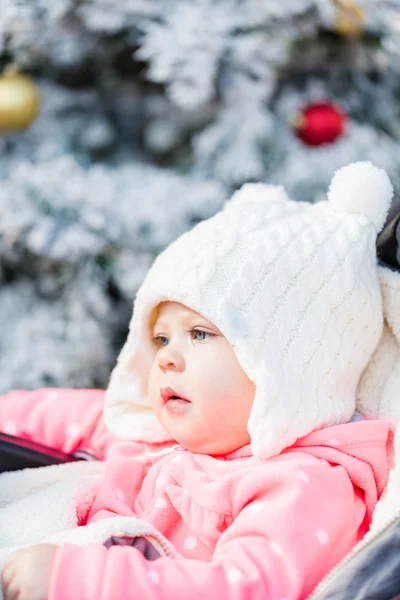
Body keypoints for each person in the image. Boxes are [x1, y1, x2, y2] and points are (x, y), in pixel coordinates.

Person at [0, 161, 395, 600]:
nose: (167, 357)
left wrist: (78, 582)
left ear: (284, 365)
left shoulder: (303, 484)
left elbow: (248, 589)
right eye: (161, 338)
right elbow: (51, 415)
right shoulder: (152, 430)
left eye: (200, 333)